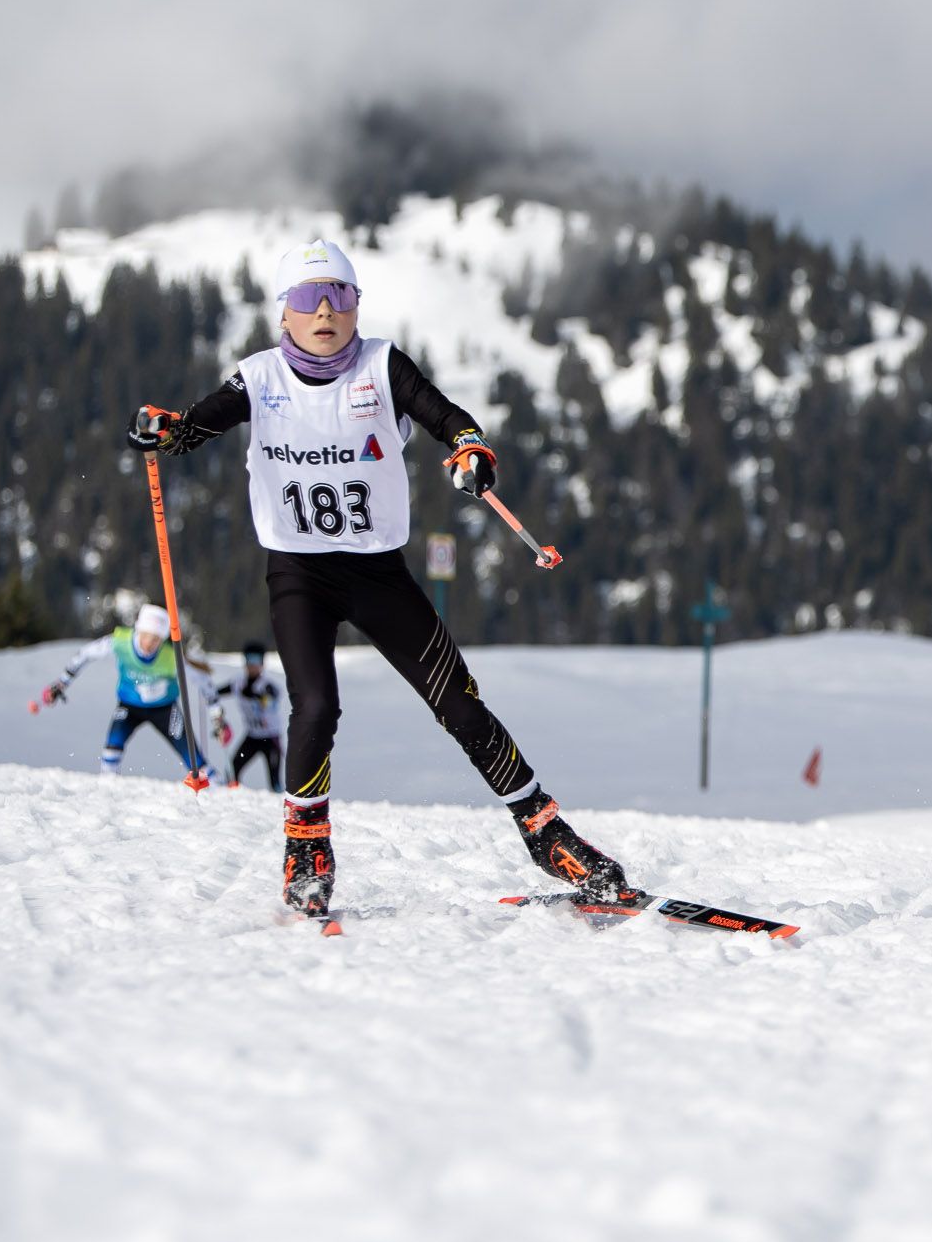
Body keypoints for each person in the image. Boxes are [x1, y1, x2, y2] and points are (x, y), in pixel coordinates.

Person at [126, 237, 629, 918]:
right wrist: (165, 429)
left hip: (377, 574)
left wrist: (471, 450)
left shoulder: (381, 365)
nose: (325, 310)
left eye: (340, 295)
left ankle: (547, 834)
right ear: (284, 312)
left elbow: (449, 419)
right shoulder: (260, 377)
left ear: (357, 305)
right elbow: (193, 427)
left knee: (460, 704)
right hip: (299, 574)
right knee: (316, 706)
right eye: (309, 297)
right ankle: (306, 849)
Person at [34, 602, 217, 780]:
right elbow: (86, 654)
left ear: (162, 640)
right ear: (138, 630)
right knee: (112, 746)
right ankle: (108, 788)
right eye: (145, 636)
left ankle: (219, 787)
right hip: (130, 707)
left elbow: (203, 681)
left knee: (194, 759)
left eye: (155, 639)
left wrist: (218, 718)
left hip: (165, 710)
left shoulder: (171, 655)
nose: (149, 643)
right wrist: (61, 683)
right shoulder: (121, 642)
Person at [211, 640, 286, 791]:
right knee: (234, 767)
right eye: (249, 660)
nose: (252, 665)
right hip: (252, 737)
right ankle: (234, 796)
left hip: (270, 738)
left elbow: (272, 696)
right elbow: (216, 692)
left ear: (262, 663)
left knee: (274, 781)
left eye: (256, 660)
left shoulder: (267, 684)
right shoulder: (239, 683)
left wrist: (257, 696)